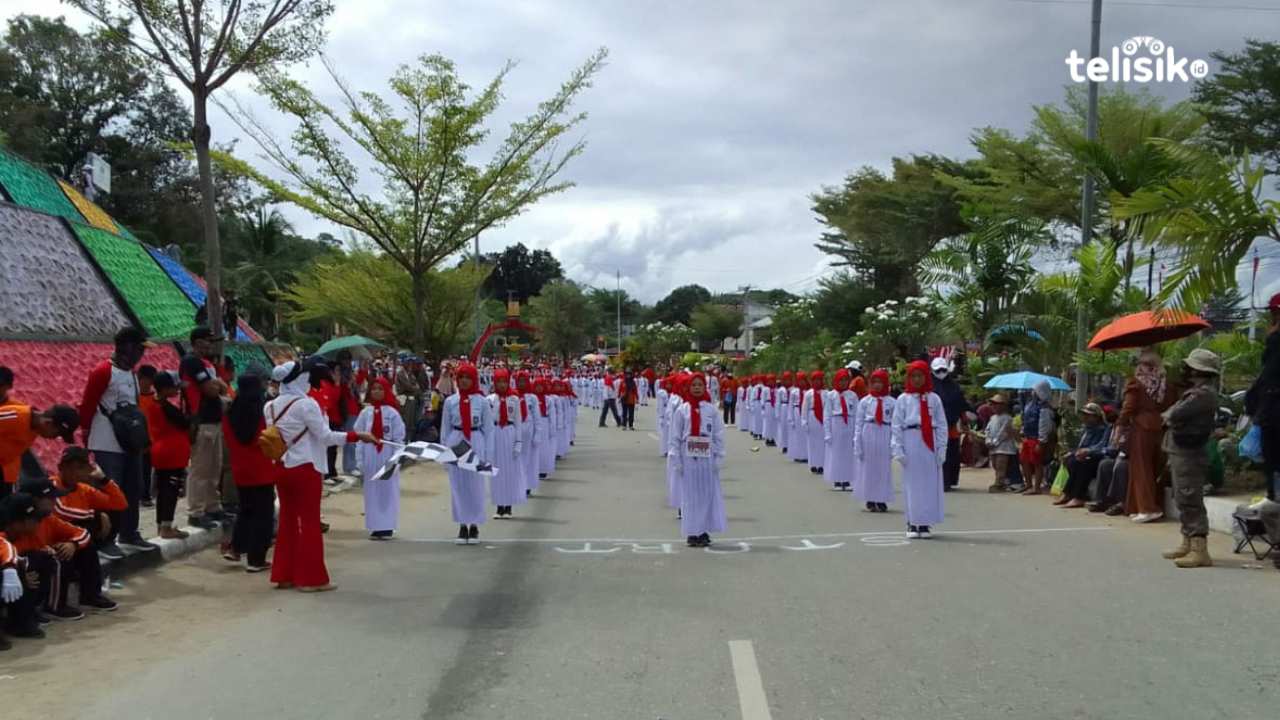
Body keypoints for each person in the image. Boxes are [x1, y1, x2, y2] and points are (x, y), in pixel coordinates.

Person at [266, 360, 376, 591]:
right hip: (305, 467)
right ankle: (310, 579)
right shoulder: (307, 405)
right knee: (309, 523)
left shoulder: (270, 407)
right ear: (298, 379)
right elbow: (326, 437)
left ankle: (284, 575)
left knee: (287, 521)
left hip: (281, 467)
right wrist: (357, 436)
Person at [78, 326, 155, 554]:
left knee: (133, 488)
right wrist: (85, 432)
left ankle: (129, 533)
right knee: (110, 492)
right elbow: (88, 403)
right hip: (106, 441)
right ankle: (106, 540)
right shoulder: (103, 371)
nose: (142, 354)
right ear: (127, 348)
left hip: (129, 441)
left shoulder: (130, 373)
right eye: (140, 349)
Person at [1160, 349, 1221, 568]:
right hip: (1182, 450)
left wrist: (1169, 417)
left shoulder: (1202, 394)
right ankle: (1187, 542)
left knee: (1190, 498)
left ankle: (1199, 549)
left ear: (1198, 370)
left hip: (1190, 452)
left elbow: (1173, 414)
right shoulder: (1196, 391)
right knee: (1182, 497)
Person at [20, 479, 115, 617]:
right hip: (24, 562)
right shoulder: (21, 521)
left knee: (84, 546)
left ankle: (90, 595)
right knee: (56, 556)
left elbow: (82, 533)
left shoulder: (49, 518)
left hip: (40, 557)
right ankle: (54, 606)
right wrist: (45, 549)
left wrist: (73, 544)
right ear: (35, 500)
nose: (55, 502)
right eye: (50, 498)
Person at [224, 373, 277, 570]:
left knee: (245, 510)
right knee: (263, 515)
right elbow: (266, 439)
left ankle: (236, 548)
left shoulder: (230, 413)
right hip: (261, 469)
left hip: (240, 469)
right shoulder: (261, 412)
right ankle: (256, 559)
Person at [179, 326, 229, 529]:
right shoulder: (191, 362)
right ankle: (196, 511)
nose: (210, 345)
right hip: (200, 421)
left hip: (214, 421)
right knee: (200, 469)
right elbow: (210, 390)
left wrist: (217, 384)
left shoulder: (206, 364)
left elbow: (220, 387)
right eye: (207, 341)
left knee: (214, 468)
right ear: (197, 342)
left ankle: (212, 506)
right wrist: (217, 384)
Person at [891, 360, 947, 539]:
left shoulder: (934, 398)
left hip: (929, 439)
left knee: (929, 483)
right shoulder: (903, 399)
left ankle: (925, 522)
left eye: (920, 376)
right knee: (912, 483)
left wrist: (941, 448)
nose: (917, 380)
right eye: (913, 376)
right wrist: (897, 448)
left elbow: (941, 424)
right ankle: (912, 521)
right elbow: (896, 425)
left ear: (926, 377)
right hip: (911, 438)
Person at [669, 373, 725, 547]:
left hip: (706, 456)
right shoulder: (682, 410)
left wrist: (718, 456)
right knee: (691, 495)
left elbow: (718, 434)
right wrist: (676, 460)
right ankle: (692, 532)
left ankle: (703, 530)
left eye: (700, 385)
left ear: (705, 387)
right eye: (694, 385)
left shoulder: (711, 409)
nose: (697, 388)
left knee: (706, 494)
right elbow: (675, 436)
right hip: (688, 456)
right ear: (688, 387)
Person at [442, 364, 494, 545]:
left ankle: (475, 525)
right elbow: (445, 428)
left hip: (476, 439)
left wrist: (488, 454)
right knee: (458, 485)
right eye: (461, 377)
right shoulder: (450, 402)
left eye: (468, 377)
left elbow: (489, 429)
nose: (464, 381)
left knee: (475, 485)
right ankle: (462, 524)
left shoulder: (482, 401)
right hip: (456, 440)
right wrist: (445, 453)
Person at [1119, 349, 1172, 522]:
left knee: (1140, 468)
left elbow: (1128, 408)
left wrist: (1120, 425)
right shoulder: (1165, 384)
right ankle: (1141, 506)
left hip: (1141, 427)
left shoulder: (1136, 384)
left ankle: (1147, 508)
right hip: (1160, 427)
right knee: (1154, 468)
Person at [142, 371, 194, 537]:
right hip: (172, 452)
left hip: (161, 450)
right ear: (164, 389)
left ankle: (161, 525)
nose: (178, 390)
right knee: (170, 490)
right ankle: (166, 527)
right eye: (174, 387)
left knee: (163, 490)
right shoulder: (166, 408)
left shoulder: (154, 405)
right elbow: (186, 423)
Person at [355, 377, 405, 539]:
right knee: (372, 490)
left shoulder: (393, 413)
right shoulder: (365, 413)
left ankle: (387, 525)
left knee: (387, 489)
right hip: (370, 452)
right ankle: (375, 525)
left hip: (387, 452)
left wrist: (397, 458)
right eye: (374, 389)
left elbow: (399, 438)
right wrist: (360, 459)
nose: (377, 392)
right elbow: (358, 436)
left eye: (380, 389)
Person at [0, 403, 79, 499]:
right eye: (57, 434)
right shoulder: (16, 416)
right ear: (48, 423)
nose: (54, 438)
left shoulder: (33, 429)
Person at [1, 493, 49, 646]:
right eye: (34, 520)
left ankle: (20, 622)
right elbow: (4, 547)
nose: (38, 523)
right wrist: (12, 569)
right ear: (17, 522)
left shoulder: (26, 535)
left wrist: (20, 569)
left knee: (40, 560)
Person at [1246, 291, 1280, 501]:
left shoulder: (1276, 342)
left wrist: (1257, 413)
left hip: (1274, 417)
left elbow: (1269, 380)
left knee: (1275, 468)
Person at [853, 369, 894, 512]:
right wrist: (857, 443)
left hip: (885, 430)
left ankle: (881, 498)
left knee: (883, 468)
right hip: (869, 431)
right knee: (869, 467)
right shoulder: (865, 401)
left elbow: (896, 423)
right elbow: (858, 423)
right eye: (874, 382)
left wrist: (894, 443)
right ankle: (870, 498)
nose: (877, 385)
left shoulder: (891, 402)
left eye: (880, 382)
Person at [486, 370, 525, 519]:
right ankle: (499, 506)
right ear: (494, 383)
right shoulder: (489, 400)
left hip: (509, 432)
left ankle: (508, 506)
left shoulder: (514, 399)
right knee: (496, 472)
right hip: (495, 432)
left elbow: (518, 422)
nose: (502, 385)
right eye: (499, 382)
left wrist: (518, 443)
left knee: (509, 472)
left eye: (504, 381)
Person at [1056, 403, 1110, 508]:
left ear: (1096, 417)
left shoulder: (1103, 429)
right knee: (1071, 460)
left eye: (1088, 415)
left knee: (1082, 464)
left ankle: (1079, 497)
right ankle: (1068, 493)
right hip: (1086, 455)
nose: (1085, 417)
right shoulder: (1087, 429)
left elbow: (1101, 445)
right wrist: (1073, 452)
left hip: (1098, 457)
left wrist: (1088, 451)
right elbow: (1080, 446)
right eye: (1084, 414)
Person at [931, 357, 972, 492]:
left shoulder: (954, 386)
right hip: (933, 427)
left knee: (951, 455)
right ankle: (935, 481)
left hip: (951, 427)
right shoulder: (929, 387)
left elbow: (961, 404)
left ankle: (948, 481)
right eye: (938, 370)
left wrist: (965, 419)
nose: (941, 372)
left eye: (943, 369)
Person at [1018, 380, 1056, 496]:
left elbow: (1044, 425)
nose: (1032, 392)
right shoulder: (1030, 404)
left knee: (1037, 463)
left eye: (1035, 390)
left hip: (1037, 439)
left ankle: (1036, 487)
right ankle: (1028, 484)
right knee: (1024, 461)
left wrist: (1041, 441)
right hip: (1028, 437)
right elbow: (1026, 419)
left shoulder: (1045, 408)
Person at [824, 369, 858, 492]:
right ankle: (837, 479)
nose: (843, 383)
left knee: (848, 454)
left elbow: (857, 413)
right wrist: (827, 432)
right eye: (841, 380)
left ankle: (847, 479)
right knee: (837, 453)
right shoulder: (831, 395)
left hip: (849, 422)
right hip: (836, 422)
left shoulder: (852, 395)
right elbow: (827, 414)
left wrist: (856, 431)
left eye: (845, 380)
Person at [983, 394, 1018, 492]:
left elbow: (1003, 432)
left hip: (1004, 446)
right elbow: (988, 430)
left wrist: (995, 442)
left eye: (996, 404)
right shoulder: (992, 418)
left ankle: (999, 483)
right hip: (993, 447)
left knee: (1000, 465)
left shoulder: (1008, 418)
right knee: (994, 464)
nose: (993, 406)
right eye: (992, 404)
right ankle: (1003, 482)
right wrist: (988, 440)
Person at [136, 365, 157, 509]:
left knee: (147, 469)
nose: (148, 383)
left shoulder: (155, 398)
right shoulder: (133, 398)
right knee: (137, 469)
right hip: (137, 440)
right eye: (146, 380)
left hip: (152, 440)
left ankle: (145, 496)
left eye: (150, 380)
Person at [802, 370, 826, 474]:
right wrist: (804, 421)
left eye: (819, 380)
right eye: (815, 380)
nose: (817, 382)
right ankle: (813, 464)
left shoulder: (826, 393)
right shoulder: (808, 394)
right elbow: (804, 408)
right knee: (812, 442)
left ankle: (822, 464)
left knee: (822, 442)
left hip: (823, 417)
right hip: (812, 416)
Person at [788, 373, 808, 465]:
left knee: (805, 434)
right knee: (798, 434)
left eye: (803, 380)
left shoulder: (808, 391)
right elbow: (790, 405)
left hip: (805, 412)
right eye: (799, 380)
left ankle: (806, 455)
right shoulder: (794, 391)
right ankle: (798, 455)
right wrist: (790, 418)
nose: (801, 382)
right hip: (796, 410)